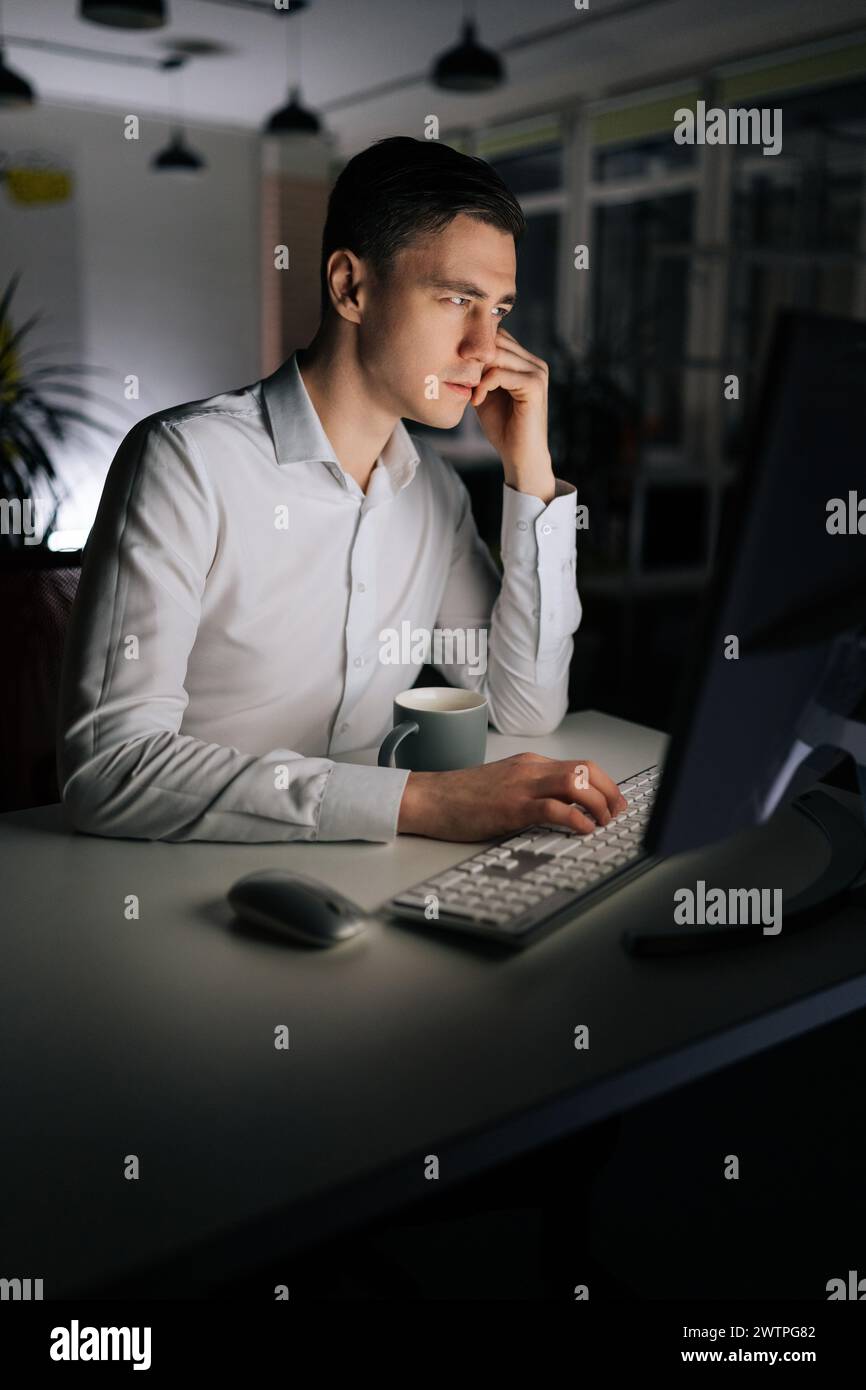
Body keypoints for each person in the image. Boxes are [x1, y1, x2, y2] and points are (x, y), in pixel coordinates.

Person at [57, 136, 626, 844]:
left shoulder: (435, 493)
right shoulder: (184, 462)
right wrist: (422, 802)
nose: (485, 348)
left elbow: (524, 705)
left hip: (355, 884)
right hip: (174, 884)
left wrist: (530, 471)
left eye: (500, 312)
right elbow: (110, 770)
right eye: (457, 299)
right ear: (350, 286)